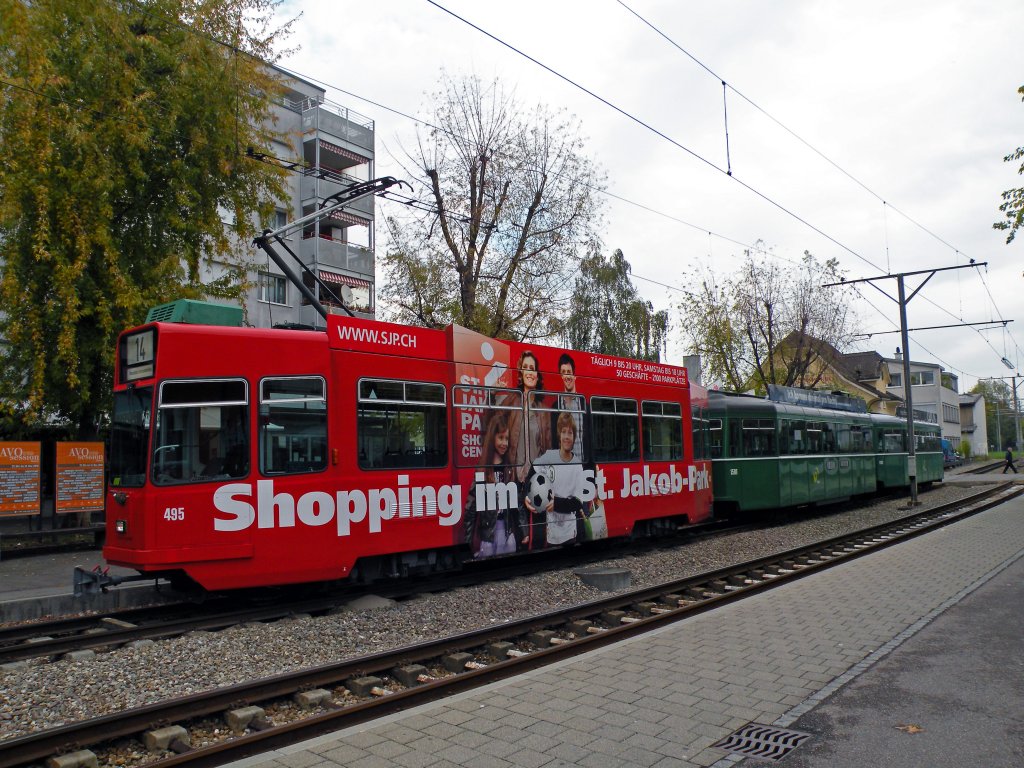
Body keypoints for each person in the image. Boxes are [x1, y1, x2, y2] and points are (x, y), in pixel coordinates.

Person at [504, 350, 552, 550]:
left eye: (533, 369)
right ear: (521, 373)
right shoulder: (511, 404)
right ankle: (522, 535)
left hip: (536, 474)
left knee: (535, 527)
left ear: (537, 374)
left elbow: (547, 447)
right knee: (518, 516)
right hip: (515, 472)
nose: (530, 372)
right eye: (526, 368)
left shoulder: (543, 411)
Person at [464, 412, 522, 557]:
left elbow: (517, 502)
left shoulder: (509, 468)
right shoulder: (483, 470)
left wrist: (524, 532)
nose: (504, 443)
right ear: (492, 438)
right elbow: (471, 506)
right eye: (501, 438)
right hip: (488, 534)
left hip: (507, 533)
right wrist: (468, 541)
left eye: (507, 439)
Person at [533, 412, 587, 547]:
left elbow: (577, 502)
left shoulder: (577, 465)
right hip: (551, 532)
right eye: (564, 432)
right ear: (559, 435)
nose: (567, 437)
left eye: (570, 433)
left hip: (569, 533)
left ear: (574, 437)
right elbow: (532, 473)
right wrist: (529, 497)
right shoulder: (549, 456)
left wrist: (556, 503)